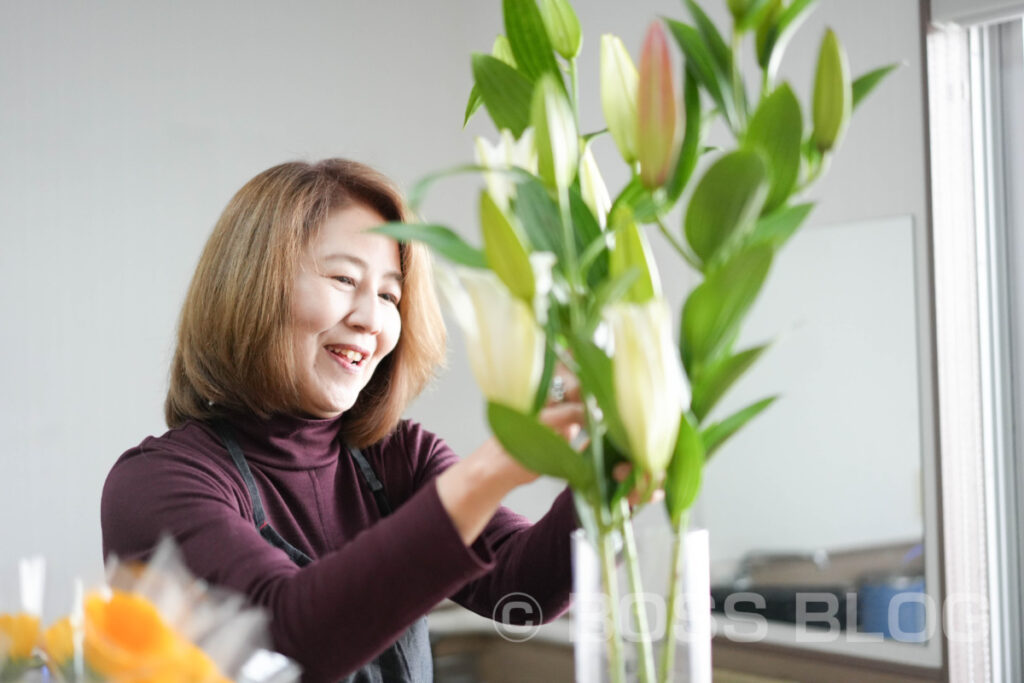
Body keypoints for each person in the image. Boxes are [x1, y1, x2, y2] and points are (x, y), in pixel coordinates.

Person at [100, 159, 586, 683]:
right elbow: (287, 640)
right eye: (343, 278)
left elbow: (523, 590)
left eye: (388, 295)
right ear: (251, 287)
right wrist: (497, 467)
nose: (371, 319)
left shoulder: (397, 456)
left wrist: (601, 480)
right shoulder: (154, 487)